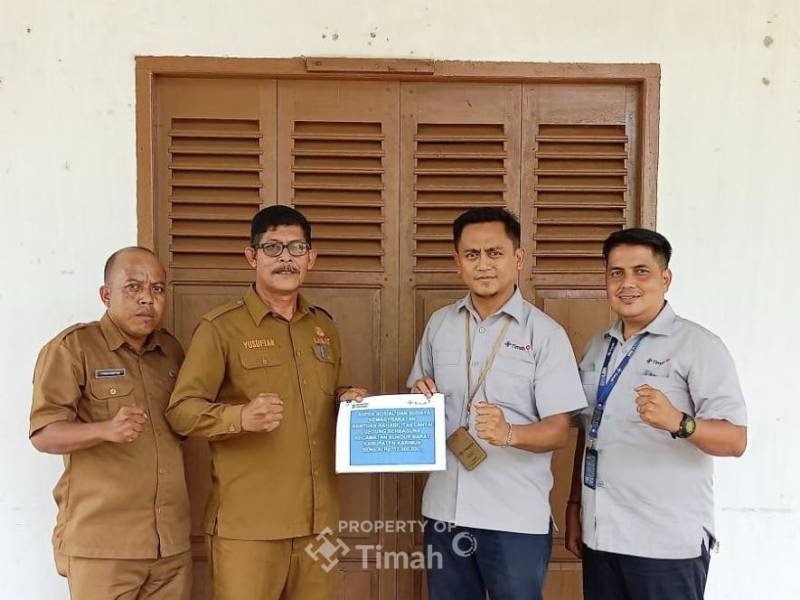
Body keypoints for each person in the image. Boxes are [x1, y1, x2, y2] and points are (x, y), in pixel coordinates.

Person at [166, 205, 367, 600]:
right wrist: (239, 417)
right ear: (252, 256)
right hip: (248, 528)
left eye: (296, 248)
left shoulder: (323, 327)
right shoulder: (221, 328)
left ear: (311, 258)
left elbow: (322, 399)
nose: (285, 258)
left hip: (319, 526)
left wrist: (345, 400)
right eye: (273, 247)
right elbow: (180, 412)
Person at [407, 207, 587, 600]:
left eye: (495, 253)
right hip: (445, 511)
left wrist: (509, 434)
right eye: (472, 254)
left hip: (514, 517)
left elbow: (559, 432)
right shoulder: (440, 324)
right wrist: (418, 397)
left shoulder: (545, 335)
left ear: (518, 258)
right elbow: (419, 404)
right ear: (457, 263)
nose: (483, 264)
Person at [565, 228, 748, 600]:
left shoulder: (699, 346)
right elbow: (589, 432)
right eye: (616, 273)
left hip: (665, 544)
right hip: (601, 536)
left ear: (666, 279)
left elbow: (735, 440)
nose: (627, 283)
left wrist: (680, 422)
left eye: (641, 272)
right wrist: (574, 505)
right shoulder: (598, 346)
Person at [29, 247, 191, 600]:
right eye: (133, 287)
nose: (147, 299)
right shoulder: (74, 348)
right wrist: (104, 429)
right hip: (104, 545)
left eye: (157, 289)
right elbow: (44, 434)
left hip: (170, 545)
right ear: (106, 295)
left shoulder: (171, 352)